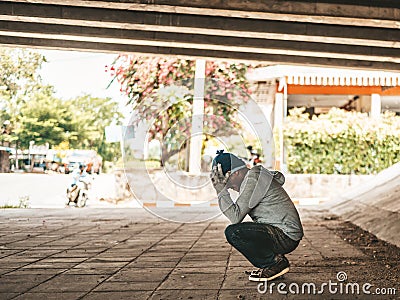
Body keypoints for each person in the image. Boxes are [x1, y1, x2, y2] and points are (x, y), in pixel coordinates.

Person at [210, 150, 303, 281]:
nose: (229, 187)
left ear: (235, 173)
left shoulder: (253, 179)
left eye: (227, 182)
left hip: (285, 236)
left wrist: (220, 190)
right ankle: (274, 262)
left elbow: (235, 217)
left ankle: (274, 263)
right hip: (284, 233)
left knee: (234, 232)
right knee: (246, 229)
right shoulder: (255, 177)